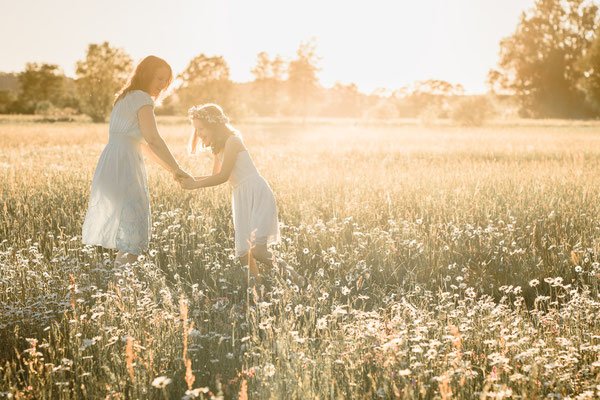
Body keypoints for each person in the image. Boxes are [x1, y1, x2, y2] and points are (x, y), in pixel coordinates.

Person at [82, 55, 191, 267]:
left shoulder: (124, 98)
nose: (162, 86)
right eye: (159, 79)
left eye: (166, 81)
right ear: (146, 75)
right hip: (124, 166)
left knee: (128, 230)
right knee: (134, 234)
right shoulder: (142, 99)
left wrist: (173, 171)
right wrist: (178, 167)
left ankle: (119, 285)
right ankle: (122, 287)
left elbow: (143, 146)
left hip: (111, 164)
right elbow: (153, 139)